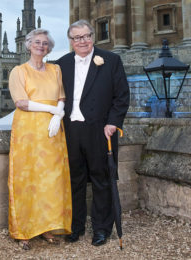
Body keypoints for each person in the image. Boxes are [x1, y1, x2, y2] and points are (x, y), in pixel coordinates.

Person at [55, 20, 129, 246]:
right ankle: (75, 227)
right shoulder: (61, 64)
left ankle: (101, 229)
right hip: (70, 130)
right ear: (71, 41)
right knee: (74, 181)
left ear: (93, 37)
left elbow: (122, 96)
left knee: (101, 180)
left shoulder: (111, 60)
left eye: (86, 36)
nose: (83, 41)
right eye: (77, 38)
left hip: (100, 130)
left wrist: (113, 123)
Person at [7, 28, 72, 250]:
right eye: (37, 42)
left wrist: (59, 113)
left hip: (52, 132)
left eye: (45, 43)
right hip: (28, 130)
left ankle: (46, 227)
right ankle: (24, 230)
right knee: (27, 179)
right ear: (28, 44)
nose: (41, 46)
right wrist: (53, 111)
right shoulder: (18, 71)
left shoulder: (55, 69)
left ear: (49, 47)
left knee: (51, 180)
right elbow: (22, 103)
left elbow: (61, 96)